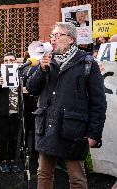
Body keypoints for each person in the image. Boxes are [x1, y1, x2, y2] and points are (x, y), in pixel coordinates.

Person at [26, 22, 107, 188]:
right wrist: (41, 69)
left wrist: (94, 133)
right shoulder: (46, 60)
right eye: (52, 35)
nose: (53, 39)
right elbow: (32, 88)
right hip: (48, 126)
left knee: (77, 179)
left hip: (73, 130)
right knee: (44, 174)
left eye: (57, 35)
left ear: (70, 39)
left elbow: (98, 102)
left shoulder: (87, 63)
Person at [0, 52, 21, 174]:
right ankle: (3, 161)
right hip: (2, 112)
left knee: (14, 138)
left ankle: (12, 160)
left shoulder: (20, 74)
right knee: (3, 138)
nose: (8, 63)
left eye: (11, 60)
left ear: (15, 62)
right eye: (6, 61)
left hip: (16, 112)